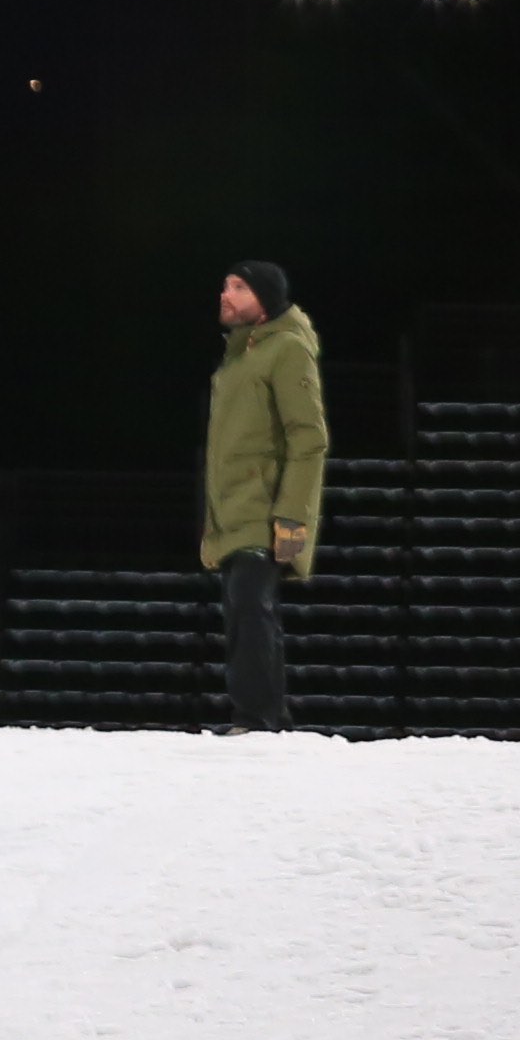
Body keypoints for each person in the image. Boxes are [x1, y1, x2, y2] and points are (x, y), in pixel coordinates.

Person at [201, 257, 326, 732]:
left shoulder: (287, 348)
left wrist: (292, 519)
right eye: (224, 284)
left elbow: (309, 439)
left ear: (265, 298)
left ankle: (258, 719)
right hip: (234, 513)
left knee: (252, 612)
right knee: (243, 613)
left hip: (271, 514)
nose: (225, 294)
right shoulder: (240, 358)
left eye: (238, 286)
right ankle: (263, 718)